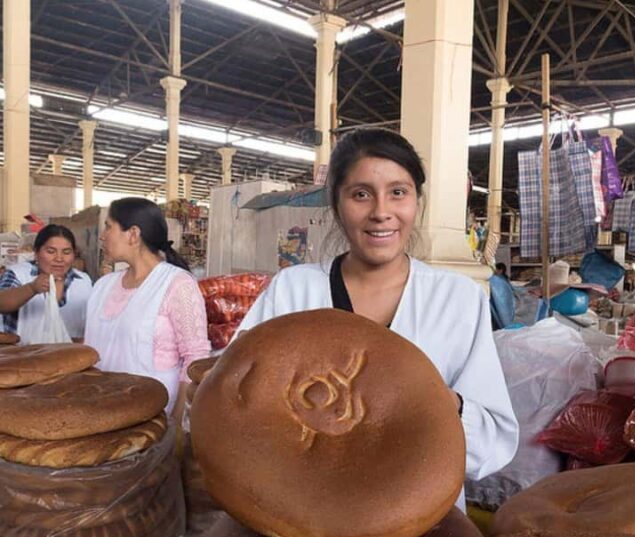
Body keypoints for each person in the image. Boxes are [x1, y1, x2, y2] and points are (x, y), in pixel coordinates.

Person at [238, 128, 519, 506]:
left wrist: (436, 401)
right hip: (301, 509)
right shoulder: (293, 291)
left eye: (398, 193)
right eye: (361, 194)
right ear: (336, 204)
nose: (381, 212)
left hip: (420, 516)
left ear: (417, 201)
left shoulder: (458, 299)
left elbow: (494, 441)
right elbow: (236, 396)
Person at [84, 198, 210, 417]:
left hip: (154, 418)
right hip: (99, 413)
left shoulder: (176, 284)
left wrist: (177, 423)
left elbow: (195, 358)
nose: (103, 236)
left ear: (133, 234)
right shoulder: (103, 286)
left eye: (108, 227)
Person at [0, 225, 92, 344]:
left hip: (70, 358)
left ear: (74, 254)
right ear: (36, 253)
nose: (59, 258)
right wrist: (31, 288)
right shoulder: (18, 274)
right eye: (51, 251)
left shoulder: (84, 281)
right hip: (23, 357)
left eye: (66, 252)